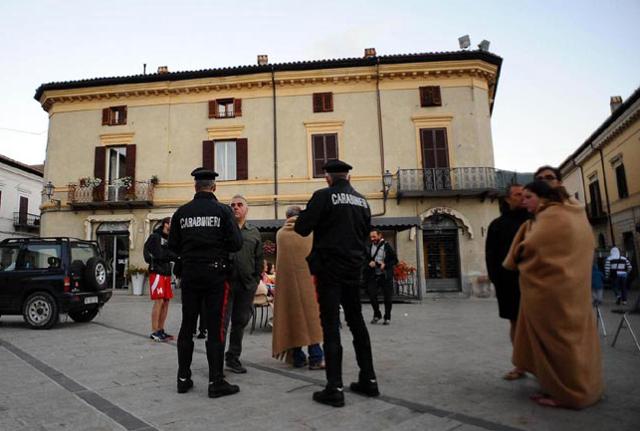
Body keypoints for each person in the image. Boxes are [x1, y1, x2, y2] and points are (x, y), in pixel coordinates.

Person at [504, 180, 603, 409]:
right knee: (569, 344)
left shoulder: (552, 217)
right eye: (521, 197)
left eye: (528, 197)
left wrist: (517, 259)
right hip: (570, 291)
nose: (524, 201)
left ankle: (571, 394)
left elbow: (529, 248)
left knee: (559, 344)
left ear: (543, 197)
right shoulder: (571, 213)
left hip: (556, 294)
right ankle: (578, 388)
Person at [295, 159, 379, 408]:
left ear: (328, 178)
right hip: (354, 271)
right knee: (357, 323)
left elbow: (301, 228)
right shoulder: (362, 201)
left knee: (330, 326)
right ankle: (369, 379)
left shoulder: (323, 196)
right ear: (349, 177)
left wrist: (306, 214)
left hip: (329, 270)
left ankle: (335, 387)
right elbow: (366, 236)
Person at [168, 167, 243, 398]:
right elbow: (236, 244)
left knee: (187, 326)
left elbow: (172, 246)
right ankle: (216, 381)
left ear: (195, 186)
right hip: (215, 277)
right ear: (214, 187)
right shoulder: (222, 211)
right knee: (215, 329)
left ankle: (183, 378)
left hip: (190, 275)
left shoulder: (182, 212)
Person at [485, 184, 530, 380]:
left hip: (535, 281)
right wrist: (496, 279)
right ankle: (520, 365)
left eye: (525, 194)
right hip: (509, 283)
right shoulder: (497, 225)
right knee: (515, 322)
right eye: (518, 194)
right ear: (508, 199)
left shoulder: (535, 221)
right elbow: (491, 255)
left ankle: (543, 366)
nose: (522, 197)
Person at [272, 205, 325, 369]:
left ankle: (297, 357)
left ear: (287, 217)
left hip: (287, 286)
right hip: (308, 284)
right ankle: (316, 356)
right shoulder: (309, 232)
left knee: (292, 318)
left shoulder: (280, 234)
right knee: (311, 318)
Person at [224, 195, 264, 374]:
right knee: (222, 323)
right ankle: (217, 359)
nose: (235, 207)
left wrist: (255, 281)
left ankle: (233, 357)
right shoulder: (224, 230)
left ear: (246, 209)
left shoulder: (254, 232)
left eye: (239, 205)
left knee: (240, 322)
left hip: (246, 285)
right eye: (232, 205)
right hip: (226, 283)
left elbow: (259, 258)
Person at [144, 217, 178, 342]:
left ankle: (161, 330)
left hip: (166, 272)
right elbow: (158, 254)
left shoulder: (169, 239)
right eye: (171, 224)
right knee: (158, 301)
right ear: (166, 224)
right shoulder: (155, 237)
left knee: (166, 301)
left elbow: (169, 254)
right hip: (157, 272)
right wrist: (172, 256)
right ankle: (154, 331)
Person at [365, 229, 398, 325]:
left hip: (385, 276)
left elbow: (395, 260)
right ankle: (377, 314)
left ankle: (387, 317)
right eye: (371, 237)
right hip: (374, 275)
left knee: (387, 297)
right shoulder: (370, 247)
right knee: (371, 295)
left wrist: (385, 264)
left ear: (380, 235)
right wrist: (369, 262)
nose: (372, 239)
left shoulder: (386, 246)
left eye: (374, 236)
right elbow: (366, 259)